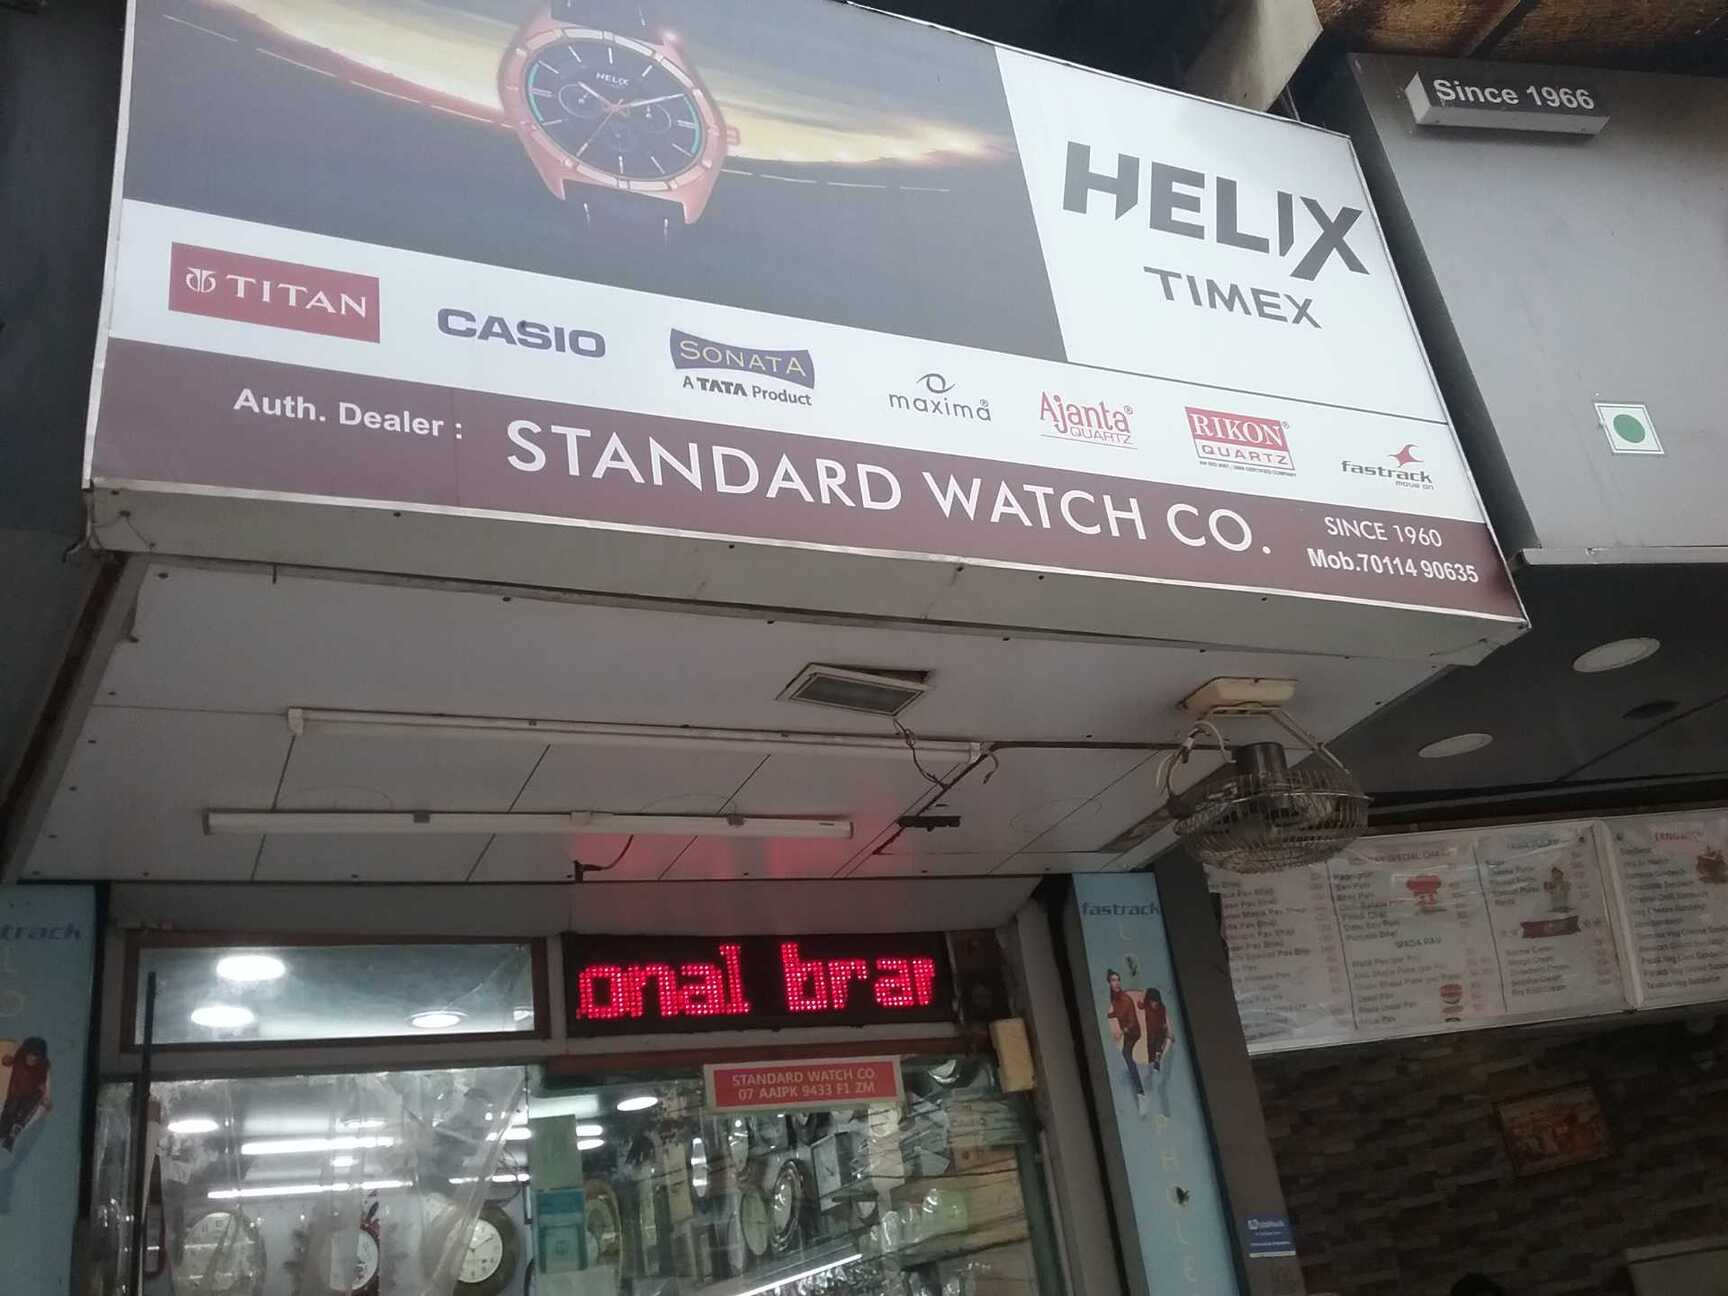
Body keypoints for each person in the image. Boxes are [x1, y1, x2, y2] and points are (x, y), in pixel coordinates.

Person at [1105, 971, 1146, 1115]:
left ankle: (1141, 1095)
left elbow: (1132, 1022)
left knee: (1127, 1055)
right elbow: (1118, 1012)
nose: (1116, 983)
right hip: (1127, 1031)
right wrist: (1110, 1015)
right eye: (1113, 980)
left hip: (1133, 1032)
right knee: (1126, 1053)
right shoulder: (1114, 998)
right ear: (1109, 983)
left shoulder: (1125, 1000)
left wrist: (1121, 1032)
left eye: (1118, 980)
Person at [0, 1037, 51, 1151]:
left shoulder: (42, 1066)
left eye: (36, 1057)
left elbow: (42, 1084)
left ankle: (12, 1136)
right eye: (30, 1055)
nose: (32, 1059)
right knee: (10, 1111)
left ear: (40, 1058)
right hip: (15, 1092)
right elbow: (9, 1061)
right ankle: (3, 1131)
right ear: (25, 1053)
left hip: (31, 1095)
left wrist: (44, 1098)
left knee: (23, 1115)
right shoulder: (20, 1055)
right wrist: (7, 1061)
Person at [1142, 987, 1174, 1072]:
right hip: (1150, 1033)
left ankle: (1157, 1061)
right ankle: (1151, 1064)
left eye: (1156, 1001)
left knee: (1158, 1047)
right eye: (1152, 1001)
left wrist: (1169, 1032)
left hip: (1160, 1031)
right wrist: (1144, 994)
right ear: (1149, 1001)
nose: (1154, 1004)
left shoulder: (1162, 1007)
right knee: (1151, 1049)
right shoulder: (1146, 1005)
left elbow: (1165, 1020)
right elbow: (1140, 1005)